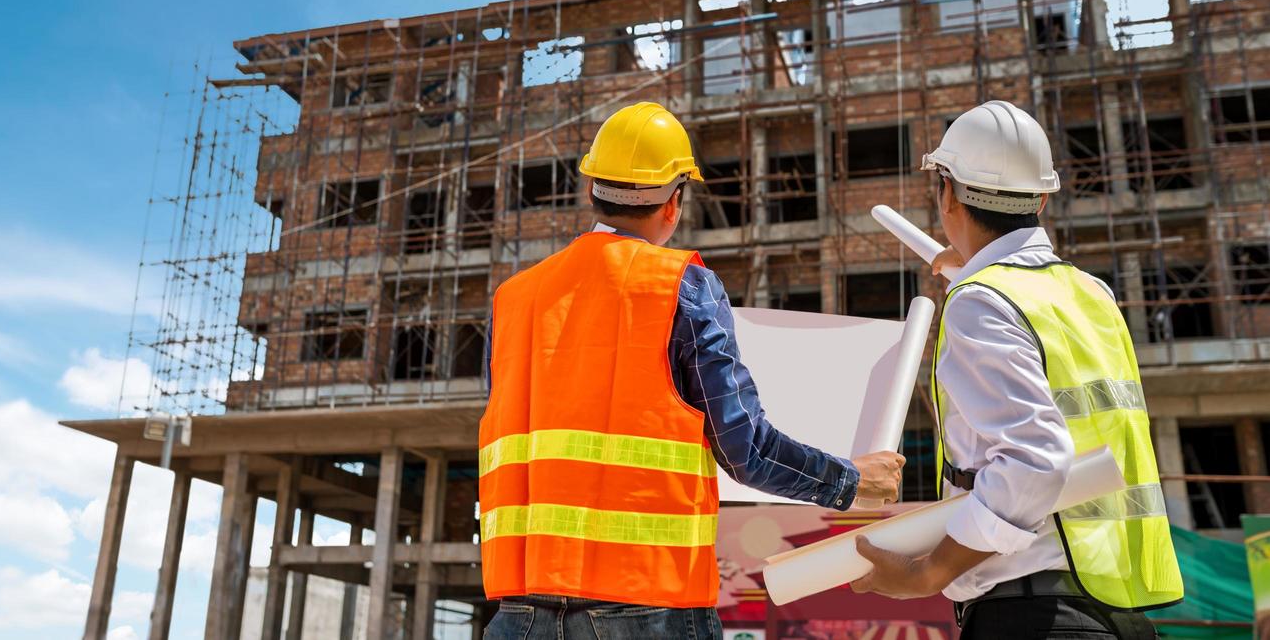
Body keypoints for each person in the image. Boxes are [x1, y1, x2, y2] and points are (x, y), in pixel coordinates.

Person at [480, 101, 904, 639]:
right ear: (674, 203)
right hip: (647, 611)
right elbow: (744, 450)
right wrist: (850, 479)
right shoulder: (679, 286)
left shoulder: (513, 300)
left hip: (517, 614)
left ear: (591, 189)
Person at [850, 100, 1183, 639]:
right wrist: (969, 271)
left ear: (949, 193)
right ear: (1043, 197)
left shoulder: (981, 302)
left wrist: (927, 573)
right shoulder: (1089, 291)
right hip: (1111, 607)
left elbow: (1034, 461)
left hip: (1031, 615)